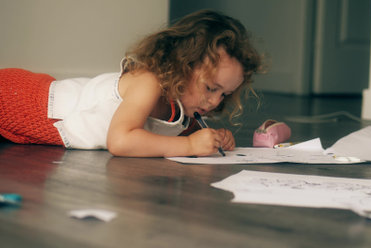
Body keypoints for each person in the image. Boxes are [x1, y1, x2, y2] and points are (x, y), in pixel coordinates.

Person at [0, 10, 262, 157]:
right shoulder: (147, 81)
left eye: (225, 95)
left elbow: (164, 134)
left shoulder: (181, 111)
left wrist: (213, 138)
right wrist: (190, 146)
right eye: (211, 88)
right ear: (185, 65)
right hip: (22, 99)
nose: (216, 101)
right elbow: (121, 141)